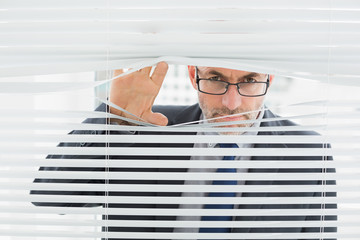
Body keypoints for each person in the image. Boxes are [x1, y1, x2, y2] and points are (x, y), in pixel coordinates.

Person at [31, 62, 336, 239]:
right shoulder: (143, 126)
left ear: (270, 78)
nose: (232, 103)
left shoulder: (310, 154)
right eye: (216, 79)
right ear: (193, 75)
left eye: (249, 81)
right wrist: (113, 117)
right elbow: (52, 196)